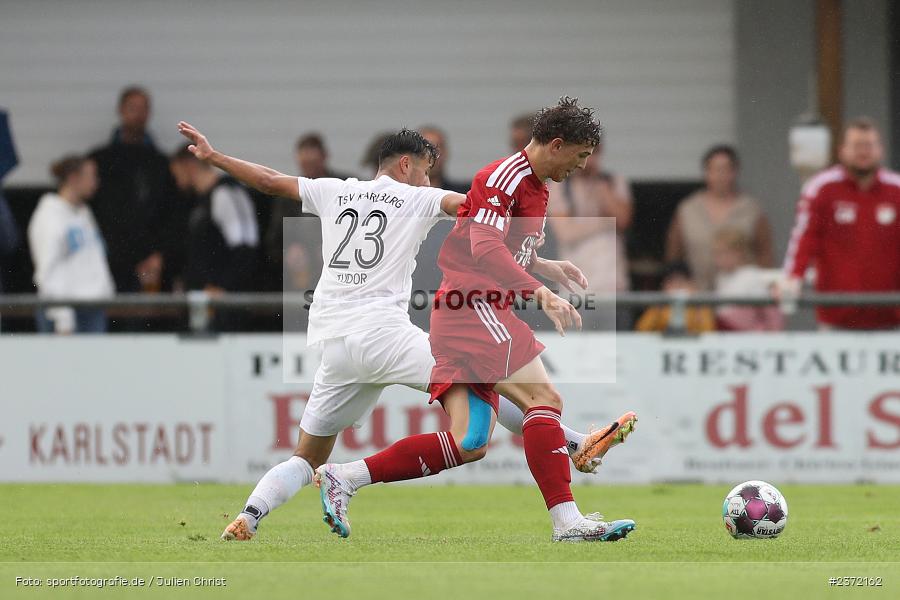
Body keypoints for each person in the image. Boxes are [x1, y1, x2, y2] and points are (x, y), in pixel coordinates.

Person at [175, 122, 614, 543]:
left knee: (306, 456)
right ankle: (574, 442)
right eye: (425, 171)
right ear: (406, 165)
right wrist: (538, 264)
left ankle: (249, 514)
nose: (428, 181)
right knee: (483, 377)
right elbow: (484, 219)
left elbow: (269, 180)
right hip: (384, 336)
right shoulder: (417, 199)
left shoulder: (336, 190)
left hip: (336, 347)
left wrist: (214, 157)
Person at [316, 98, 637, 543]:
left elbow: (494, 243)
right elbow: (485, 249)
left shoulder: (536, 184)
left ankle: (345, 477)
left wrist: (545, 266)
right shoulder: (503, 178)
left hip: (465, 310)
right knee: (542, 400)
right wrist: (539, 292)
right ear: (558, 145)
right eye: (580, 156)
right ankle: (568, 520)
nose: (581, 167)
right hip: (474, 305)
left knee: (470, 441)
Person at [781, 118, 900, 330]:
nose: (863, 152)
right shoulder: (822, 187)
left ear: (880, 150)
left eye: (869, 146)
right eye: (856, 146)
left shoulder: (896, 189)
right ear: (842, 150)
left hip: (891, 317)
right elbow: (805, 237)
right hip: (836, 318)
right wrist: (793, 277)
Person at [88, 86, 176, 295]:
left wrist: (160, 255)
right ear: (120, 111)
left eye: (143, 109)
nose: (138, 115)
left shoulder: (161, 165)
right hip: (106, 262)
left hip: (150, 263)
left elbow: (172, 214)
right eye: (132, 108)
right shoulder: (100, 161)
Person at [169, 146, 259, 329]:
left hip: (224, 305)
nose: (175, 181)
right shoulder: (199, 201)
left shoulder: (225, 193)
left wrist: (223, 286)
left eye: (176, 173)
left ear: (189, 165)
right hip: (202, 302)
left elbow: (246, 248)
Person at [665, 145, 774, 291]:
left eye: (725, 170)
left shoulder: (752, 210)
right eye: (714, 170)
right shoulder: (687, 209)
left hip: (740, 299)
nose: (720, 176)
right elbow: (674, 255)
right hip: (699, 300)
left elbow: (765, 255)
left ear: (735, 172)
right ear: (706, 172)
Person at [547, 143, 632, 329]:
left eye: (591, 154)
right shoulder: (560, 186)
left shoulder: (612, 182)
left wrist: (602, 189)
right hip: (576, 287)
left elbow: (623, 220)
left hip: (612, 283)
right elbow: (566, 233)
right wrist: (606, 222)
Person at [27, 155, 114, 334]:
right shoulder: (49, 216)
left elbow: (93, 260)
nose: (95, 183)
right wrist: (62, 318)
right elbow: (47, 271)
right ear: (74, 178)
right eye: (91, 176)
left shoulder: (83, 213)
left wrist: (106, 293)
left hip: (92, 308)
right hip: (66, 311)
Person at [412, 126, 469, 311]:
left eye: (439, 147)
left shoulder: (466, 194)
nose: (433, 155)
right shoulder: (398, 199)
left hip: (456, 293)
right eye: (426, 148)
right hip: (410, 290)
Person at [713, 228, 783, 331]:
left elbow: (769, 312)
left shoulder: (751, 276)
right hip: (728, 337)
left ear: (739, 253)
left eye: (724, 253)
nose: (719, 258)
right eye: (716, 253)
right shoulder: (721, 278)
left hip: (751, 338)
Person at [634, 262, 715, 334]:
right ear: (664, 286)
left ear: (691, 284)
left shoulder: (699, 305)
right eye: (672, 283)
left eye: (681, 283)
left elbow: (708, 330)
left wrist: (697, 310)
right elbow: (641, 329)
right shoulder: (660, 305)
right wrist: (659, 309)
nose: (677, 288)